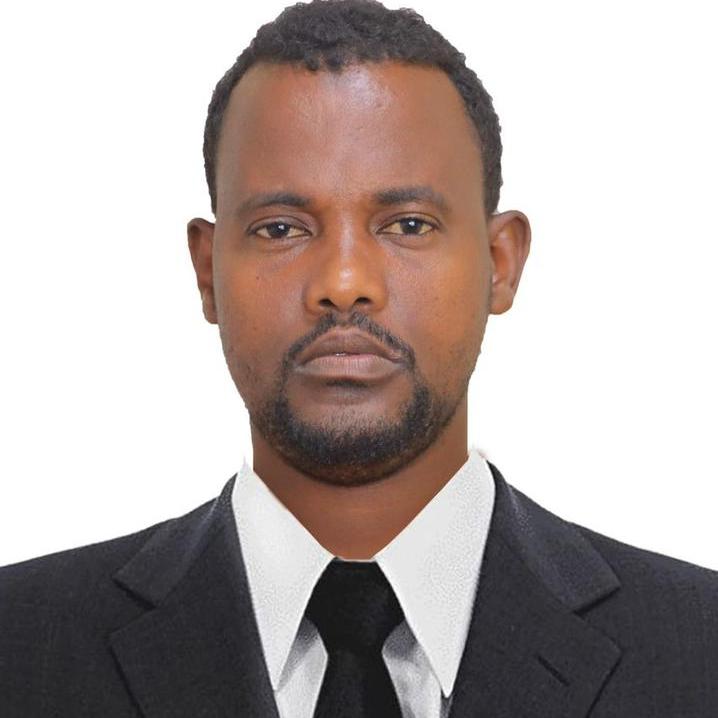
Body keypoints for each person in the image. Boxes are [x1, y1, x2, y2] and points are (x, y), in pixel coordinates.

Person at [1, 0, 716, 715]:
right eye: (281, 228)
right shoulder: (20, 646)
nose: (344, 283)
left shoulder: (699, 649)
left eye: (409, 224)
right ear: (207, 272)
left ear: (501, 264)